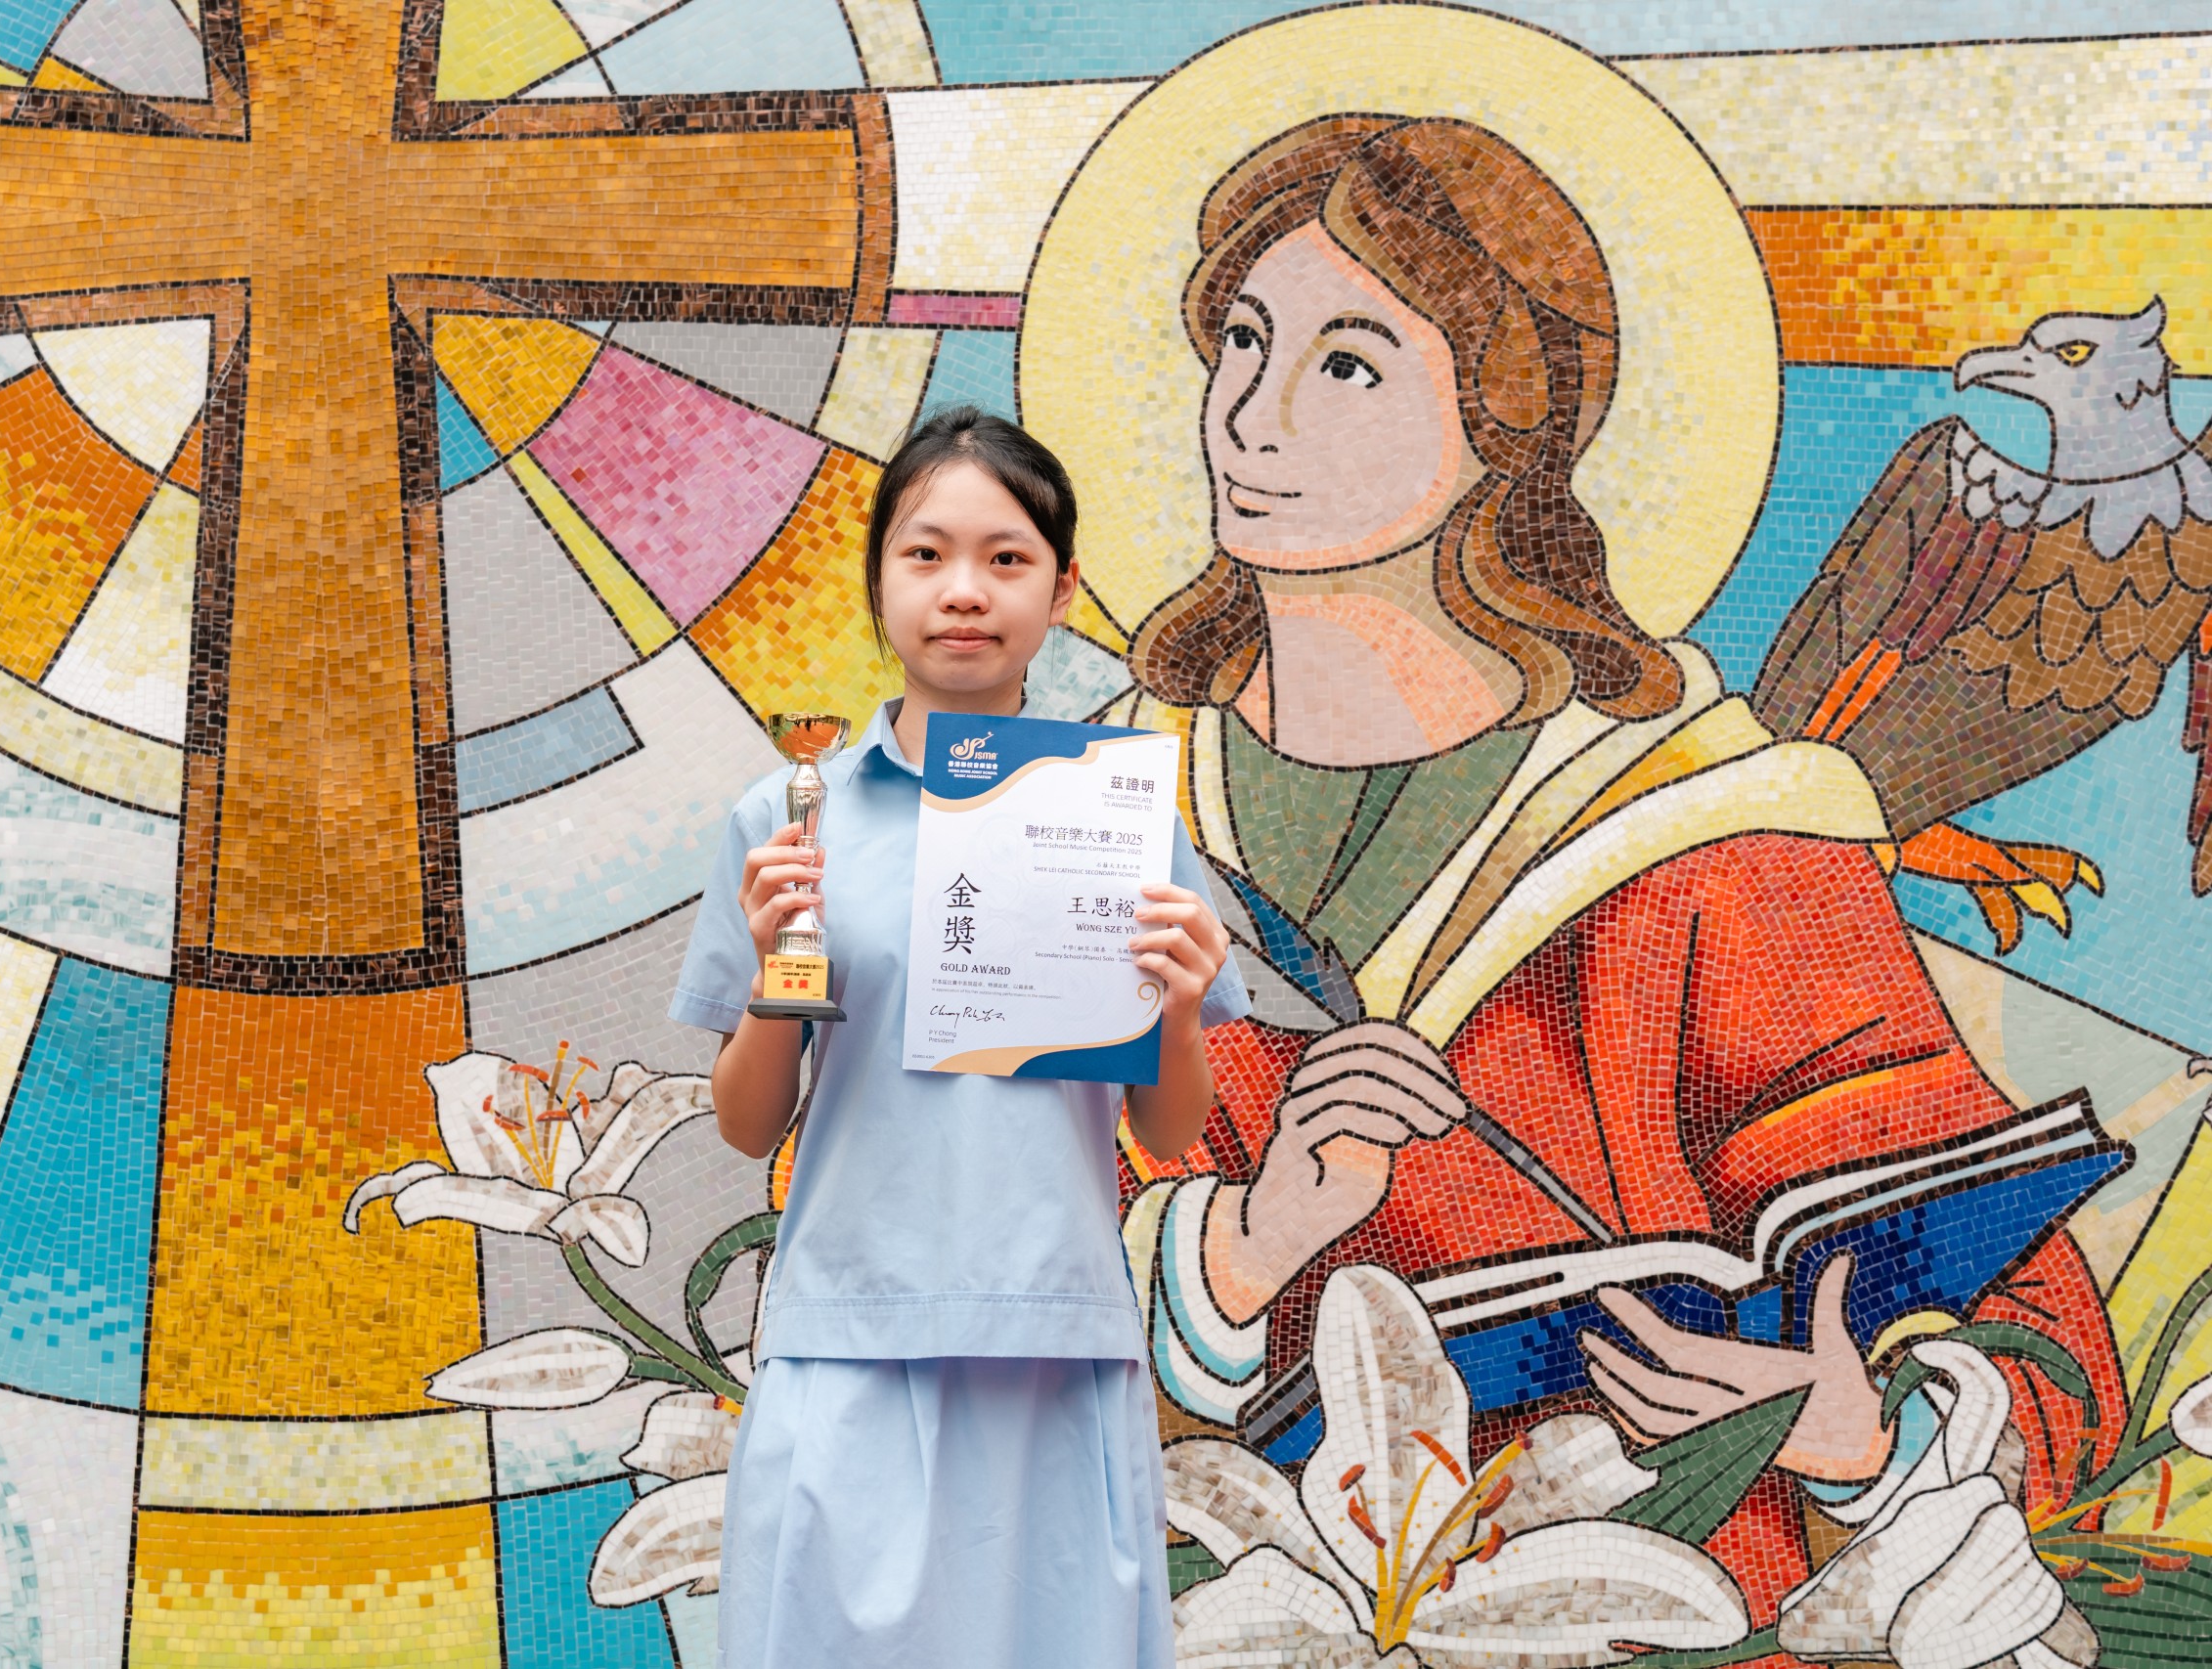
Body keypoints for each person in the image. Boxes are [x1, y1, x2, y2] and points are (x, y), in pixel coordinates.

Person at [1107, 115, 2127, 1614]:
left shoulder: (1724, 843)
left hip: (1693, 1612)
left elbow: (2036, 1342)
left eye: (1348, 367)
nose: (1253, 418)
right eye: (1242, 345)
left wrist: (1847, 1436)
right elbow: (930, 1280)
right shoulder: (1083, 821)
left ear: (1502, 426)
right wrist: (1243, 1252)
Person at [668, 407, 1252, 1669]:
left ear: (1062, 588)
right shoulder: (790, 819)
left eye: (1007, 558)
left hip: (1054, 1340)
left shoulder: (1119, 821)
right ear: (879, 581)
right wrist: (774, 971)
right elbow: (748, 1125)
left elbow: (1167, 1131)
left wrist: (1181, 1004)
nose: (965, 591)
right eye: (925, 555)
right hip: (847, 1334)